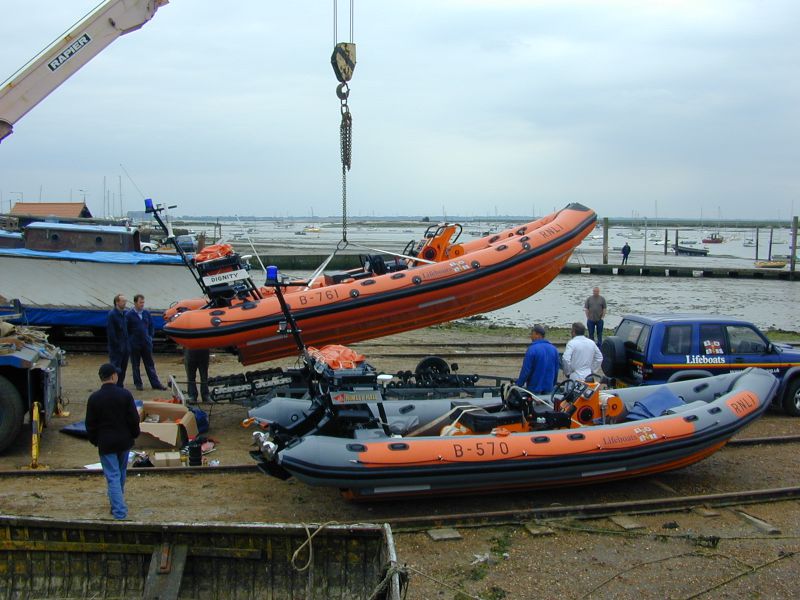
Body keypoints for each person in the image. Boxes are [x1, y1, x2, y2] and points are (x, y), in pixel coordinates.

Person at [85, 363, 140, 520]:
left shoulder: (94, 398)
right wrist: (134, 435)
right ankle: (118, 507)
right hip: (124, 441)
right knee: (120, 474)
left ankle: (118, 510)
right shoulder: (125, 395)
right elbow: (133, 419)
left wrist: (95, 440)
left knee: (113, 476)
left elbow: (90, 424)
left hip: (106, 443)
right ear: (114, 376)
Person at [126, 294, 166, 391]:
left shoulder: (146, 313)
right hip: (134, 344)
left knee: (150, 364)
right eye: (140, 302)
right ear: (135, 303)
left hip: (146, 343)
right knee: (135, 365)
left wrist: (150, 337)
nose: (142, 304)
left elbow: (151, 326)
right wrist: (130, 340)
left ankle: (155, 384)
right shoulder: (129, 315)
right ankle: (138, 384)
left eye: (143, 302)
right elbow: (126, 329)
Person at [516, 324, 560, 394]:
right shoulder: (554, 349)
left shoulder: (532, 349)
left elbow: (526, 370)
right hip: (549, 388)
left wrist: (519, 384)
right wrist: (553, 383)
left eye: (532, 334)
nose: (531, 336)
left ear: (538, 334)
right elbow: (556, 369)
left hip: (534, 388)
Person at [106, 293, 129, 387]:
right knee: (115, 368)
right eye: (123, 301)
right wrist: (117, 346)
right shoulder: (112, 315)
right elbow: (111, 333)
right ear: (117, 302)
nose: (125, 303)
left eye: (125, 301)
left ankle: (120, 385)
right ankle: (114, 386)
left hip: (125, 346)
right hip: (117, 348)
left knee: (123, 368)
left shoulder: (124, 314)